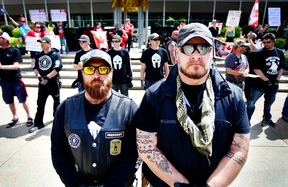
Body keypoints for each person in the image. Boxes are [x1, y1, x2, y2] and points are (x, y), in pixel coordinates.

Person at [135, 23, 250, 187]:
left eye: (203, 48)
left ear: (212, 53)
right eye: (188, 48)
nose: (196, 55)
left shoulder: (233, 96)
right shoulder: (154, 96)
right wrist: (181, 184)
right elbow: (146, 148)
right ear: (176, 52)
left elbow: (239, 148)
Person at [51, 49, 140, 187]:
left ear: (111, 72)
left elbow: (134, 155)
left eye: (103, 69)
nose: (96, 75)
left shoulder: (129, 108)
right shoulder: (65, 108)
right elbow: (58, 153)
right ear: (82, 73)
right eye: (90, 69)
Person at [246, 33, 286, 127]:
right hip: (259, 84)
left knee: (269, 103)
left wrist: (277, 80)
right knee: (251, 102)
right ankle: (246, 121)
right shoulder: (259, 53)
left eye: (268, 42)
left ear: (274, 41)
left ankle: (267, 118)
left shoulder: (279, 52)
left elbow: (281, 67)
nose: (266, 44)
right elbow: (256, 69)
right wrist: (266, 80)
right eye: (264, 42)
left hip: (273, 84)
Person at [29, 37, 63, 133]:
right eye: (41, 43)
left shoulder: (55, 54)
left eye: (44, 43)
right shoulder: (38, 55)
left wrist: (47, 77)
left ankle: (57, 121)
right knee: (40, 103)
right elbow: (35, 67)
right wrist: (39, 76)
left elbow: (58, 68)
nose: (42, 45)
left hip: (53, 83)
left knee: (57, 102)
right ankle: (38, 123)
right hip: (42, 84)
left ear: (49, 44)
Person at [0, 32, 34, 128]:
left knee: (23, 99)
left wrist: (1, 67)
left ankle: (29, 117)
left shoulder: (14, 51)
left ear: (5, 39)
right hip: (4, 81)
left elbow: (16, 66)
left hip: (16, 80)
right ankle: (15, 117)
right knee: (9, 100)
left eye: (0, 38)